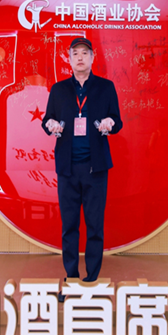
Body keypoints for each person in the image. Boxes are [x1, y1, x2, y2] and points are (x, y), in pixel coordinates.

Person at [42, 36, 122, 286]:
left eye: (84, 53)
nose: (80, 57)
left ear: (92, 57)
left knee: (95, 225)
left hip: (95, 168)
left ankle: (92, 278)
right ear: (68, 58)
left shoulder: (106, 87)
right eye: (75, 53)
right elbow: (47, 120)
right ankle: (72, 277)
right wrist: (50, 124)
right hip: (67, 168)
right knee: (69, 226)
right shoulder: (58, 90)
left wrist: (110, 122)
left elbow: (117, 121)